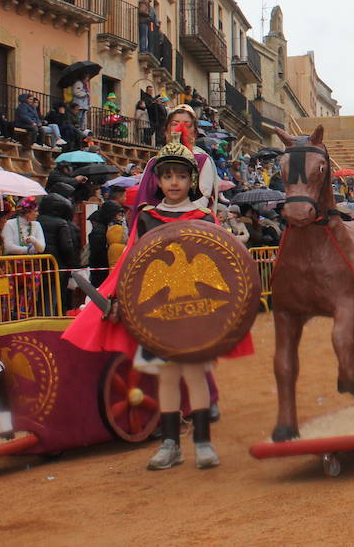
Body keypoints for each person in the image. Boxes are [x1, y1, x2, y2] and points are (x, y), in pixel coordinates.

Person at [64, 139, 252, 470]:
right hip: (157, 315)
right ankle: (170, 444)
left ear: (191, 180)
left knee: (193, 374)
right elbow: (130, 264)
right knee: (166, 378)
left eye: (181, 176)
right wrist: (118, 299)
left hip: (196, 314)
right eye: (168, 176)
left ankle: (203, 443)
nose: (175, 183)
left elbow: (223, 263)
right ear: (159, 181)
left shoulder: (205, 217)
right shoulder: (148, 217)